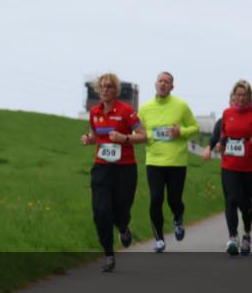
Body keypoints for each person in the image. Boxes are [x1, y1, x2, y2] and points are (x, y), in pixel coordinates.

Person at [81, 72, 147, 272]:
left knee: (121, 210)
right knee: (101, 211)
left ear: (116, 90)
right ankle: (109, 254)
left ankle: (124, 227)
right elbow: (96, 135)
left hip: (125, 169)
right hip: (102, 167)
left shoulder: (126, 111)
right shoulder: (94, 112)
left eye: (109, 86)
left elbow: (143, 136)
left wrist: (124, 138)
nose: (105, 90)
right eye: (101, 86)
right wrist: (88, 139)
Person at [138, 71, 199, 252]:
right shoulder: (145, 108)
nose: (163, 84)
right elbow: (137, 132)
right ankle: (159, 239)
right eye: (160, 81)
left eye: (167, 82)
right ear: (155, 84)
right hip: (154, 161)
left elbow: (194, 127)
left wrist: (181, 132)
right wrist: (150, 135)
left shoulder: (181, 106)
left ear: (172, 86)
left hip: (176, 162)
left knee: (174, 200)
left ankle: (178, 217)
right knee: (156, 199)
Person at [216, 80, 252, 257]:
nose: (240, 98)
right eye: (238, 95)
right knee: (231, 199)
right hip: (229, 165)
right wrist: (221, 143)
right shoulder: (227, 113)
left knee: (245, 204)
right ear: (234, 96)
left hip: (250, 166)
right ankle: (232, 238)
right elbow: (224, 133)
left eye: (244, 95)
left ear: (249, 97)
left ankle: (246, 234)